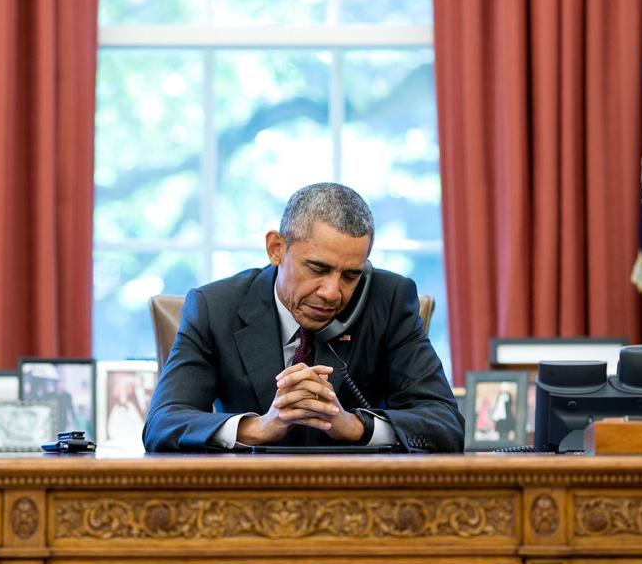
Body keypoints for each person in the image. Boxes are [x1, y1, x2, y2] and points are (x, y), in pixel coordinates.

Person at [143, 182, 465, 452]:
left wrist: (354, 426)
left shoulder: (389, 300)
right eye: (318, 269)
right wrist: (259, 428)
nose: (332, 292)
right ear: (276, 249)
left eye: (350, 276)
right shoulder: (215, 307)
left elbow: (446, 424)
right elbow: (163, 423)